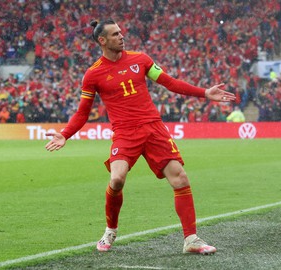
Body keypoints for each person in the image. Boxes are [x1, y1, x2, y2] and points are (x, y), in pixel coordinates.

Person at [45, 19, 236, 255]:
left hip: (153, 128)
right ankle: (111, 230)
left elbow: (170, 83)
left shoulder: (141, 59)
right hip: (125, 133)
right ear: (102, 41)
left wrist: (204, 93)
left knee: (180, 179)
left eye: (121, 32)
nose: (121, 36)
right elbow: (83, 112)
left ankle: (191, 240)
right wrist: (65, 134)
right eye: (115, 34)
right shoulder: (93, 74)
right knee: (117, 180)